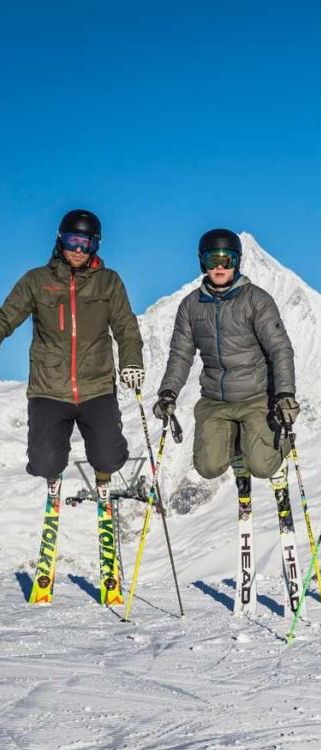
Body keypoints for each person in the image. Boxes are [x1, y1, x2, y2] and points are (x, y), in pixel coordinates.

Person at [0, 209, 144, 603]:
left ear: (96, 245)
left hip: (97, 387)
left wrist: (132, 361)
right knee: (45, 461)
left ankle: (104, 476)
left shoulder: (109, 282)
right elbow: (6, 318)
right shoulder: (37, 281)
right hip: (49, 389)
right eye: (72, 241)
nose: (78, 249)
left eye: (86, 242)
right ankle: (53, 477)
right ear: (60, 240)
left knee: (109, 456)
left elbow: (126, 328)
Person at [154, 229, 302, 610]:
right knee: (207, 466)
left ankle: (275, 447)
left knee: (264, 466)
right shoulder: (191, 306)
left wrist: (284, 395)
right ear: (202, 263)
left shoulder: (256, 300)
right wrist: (168, 392)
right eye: (212, 260)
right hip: (215, 401)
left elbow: (280, 349)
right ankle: (238, 447)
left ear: (237, 262)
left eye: (227, 260)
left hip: (256, 397)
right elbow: (180, 354)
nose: (219, 267)